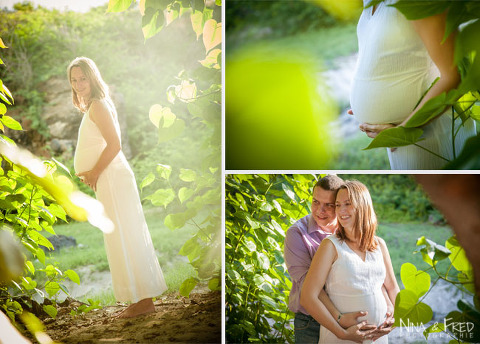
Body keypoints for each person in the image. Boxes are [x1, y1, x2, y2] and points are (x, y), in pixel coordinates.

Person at [68, 57, 167, 318]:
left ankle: (143, 301)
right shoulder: (93, 106)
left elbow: (115, 145)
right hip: (108, 177)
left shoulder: (98, 105)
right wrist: (91, 174)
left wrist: (94, 173)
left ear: (93, 78)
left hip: (112, 176)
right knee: (121, 234)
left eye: (83, 78)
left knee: (124, 233)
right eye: (74, 80)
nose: (79, 84)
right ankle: (140, 298)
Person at [349, 0, 476, 169]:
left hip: (432, 133)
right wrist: (363, 99)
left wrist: (403, 130)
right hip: (402, 139)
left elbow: (454, 76)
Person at [284, 176, 393, 343]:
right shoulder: (299, 234)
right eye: (315, 202)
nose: (320, 210)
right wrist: (339, 319)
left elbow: (375, 279)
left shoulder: (354, 231)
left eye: (329, 205)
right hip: (311, 322)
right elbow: (310, 289)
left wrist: (388, 307)